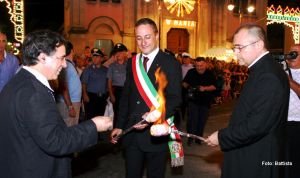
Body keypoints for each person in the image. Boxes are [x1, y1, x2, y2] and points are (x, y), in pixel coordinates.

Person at [0, 30, 112, 178]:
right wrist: (93, 126)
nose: (65, 65)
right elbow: (55, 141)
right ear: (43, 57)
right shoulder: (34, 92)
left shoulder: (20, 81)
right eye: (61, 58)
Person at [205, 24, 290, 178]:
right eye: (234, 48)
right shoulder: (262, 69)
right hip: (250, 150)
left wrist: (222, 137)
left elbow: (257, 125)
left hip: (257, 156)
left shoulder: (268, 76)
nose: (235, 53)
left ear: (258, 44)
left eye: (239, 47)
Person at [110, 18, 182, 178]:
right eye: (139, 38)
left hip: (156, 133)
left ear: (156, 35)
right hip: (132, 133)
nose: (143, 42)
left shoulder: (170, 63)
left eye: (147, 36)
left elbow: (175, 98)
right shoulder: (132, 63)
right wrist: (119, 125)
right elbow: (126, 97)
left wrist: (153, 117)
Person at [182, 57, 216, 146]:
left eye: (201, 65)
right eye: (197, 66)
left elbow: (214, 86)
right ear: (195, 65)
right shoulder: (191, 72)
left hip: (205, 101)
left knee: (201, 121)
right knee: (192, 120)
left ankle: (198, 138)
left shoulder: (210, 73)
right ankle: (190, 138)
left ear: (205, 64)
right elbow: (185, 83)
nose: (199, 68)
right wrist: (185, 86)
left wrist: (204, 88)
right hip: (193, 100)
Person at [56, 41, 82, 126]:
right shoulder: (66, 65)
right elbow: (64, 87)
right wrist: (70, 107)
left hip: (71, 102)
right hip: (68, 103)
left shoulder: (69, 64)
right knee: (69, 128)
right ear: (72, 51)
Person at [285, 44, 300, 177]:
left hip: (298, 124)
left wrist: (289, 82)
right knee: (282, 160)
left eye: (295, 53)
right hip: (281, 123)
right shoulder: (280, 73)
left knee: (295, 160)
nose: (292, 55)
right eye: (290, 52)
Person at [81, 48, 108, 120]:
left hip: (102, 97)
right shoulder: (88, 69)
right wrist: (85, 95)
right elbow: (83, 83)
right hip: (91, 97)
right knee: (90, 118)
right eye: (93, 56)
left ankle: (97, 131)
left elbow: (107, 83)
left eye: (97, 57)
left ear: (101, 58)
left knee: (100, 117)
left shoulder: (105, 70)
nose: (95, 58)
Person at [107, 43, 128, 127]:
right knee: (117, 112)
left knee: (127, 112)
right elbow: (109, 81)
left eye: (120, 52)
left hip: (127, 91)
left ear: (124, 53)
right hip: (117, 91)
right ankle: (116, 132)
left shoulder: (129, 65)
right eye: (116, 52)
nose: (118, 54)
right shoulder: (112, 66)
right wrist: (111, 94)